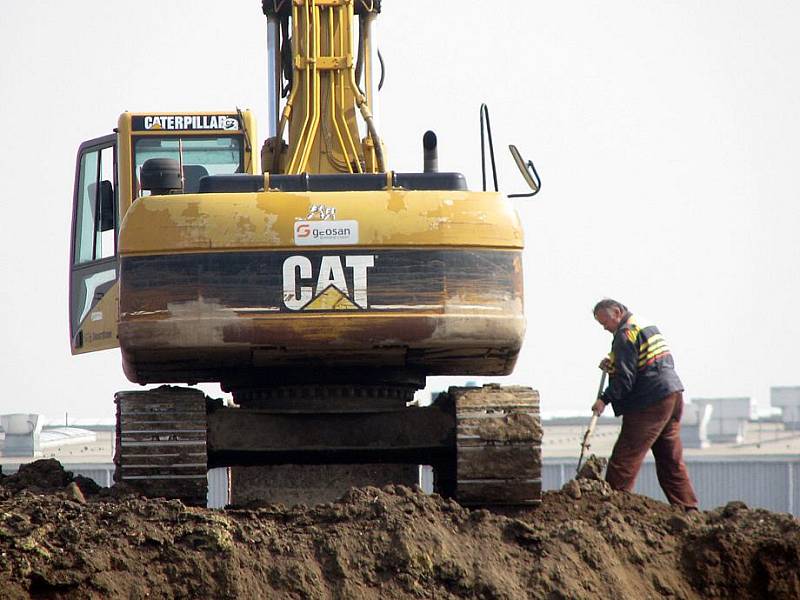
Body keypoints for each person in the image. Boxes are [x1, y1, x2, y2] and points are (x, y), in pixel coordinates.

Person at [591, 298, 698, 510]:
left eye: (606, 322)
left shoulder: (625, 334)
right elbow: (646, 361)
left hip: (650, 402)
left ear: (618, 312)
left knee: (624, 458)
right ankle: (688, 509)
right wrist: (613, 364)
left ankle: (612, 510)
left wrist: (604, 399)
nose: (605, 328)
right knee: (670, 460)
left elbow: (626, 378)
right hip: (672, 394)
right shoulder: (644, 324)